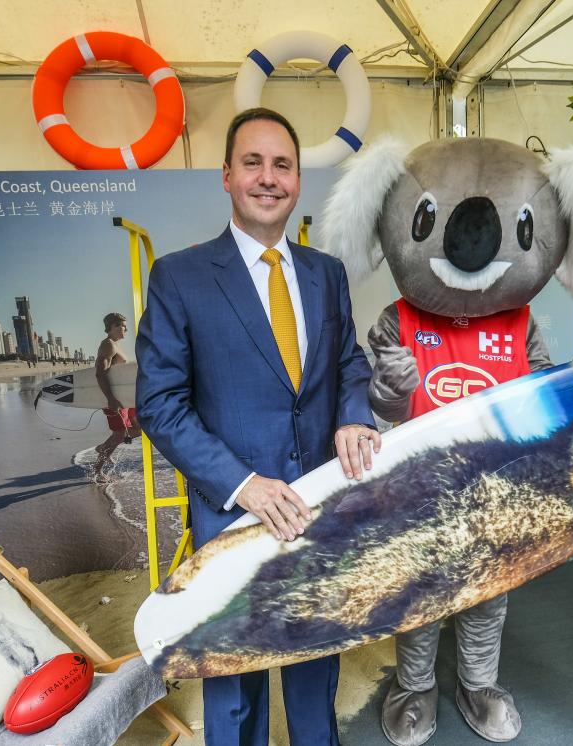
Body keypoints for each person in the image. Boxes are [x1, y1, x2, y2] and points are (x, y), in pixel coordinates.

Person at [135, 107, 380, 746]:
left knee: (313, 673)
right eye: (253, 163)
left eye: (282, 165)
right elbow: (159, 404)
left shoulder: (326, 274)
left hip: (319, 503)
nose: (268, 178)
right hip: (233, 515)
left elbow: (348, 363)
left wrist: (354, 417)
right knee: (234, 689)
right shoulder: (179, 277)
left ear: (298, 179)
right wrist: (243, 484)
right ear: (225, 176)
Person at [93, 312, 141, 477]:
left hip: (125, 398)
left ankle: (103, 448)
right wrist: (110, 399)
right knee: (120, 433)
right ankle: (97, 470)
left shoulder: (114, 344)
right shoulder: (108, 345)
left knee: (139, 428)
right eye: (123, 326)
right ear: (112, 326)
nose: (125, 329)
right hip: (114, 399)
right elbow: (100, 373)